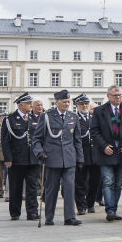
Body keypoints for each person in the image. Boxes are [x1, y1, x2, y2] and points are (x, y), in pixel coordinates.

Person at [33, 90, 84, 226]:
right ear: (57, 102)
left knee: (69, 188)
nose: (67, 104)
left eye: (68, 101)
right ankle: (49, 217)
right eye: (64, 102)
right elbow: (36, 139)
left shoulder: (73, 117)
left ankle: (70, 217)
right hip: (52, 158)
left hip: (69, 158)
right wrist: (40, 152)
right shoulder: (47, 116)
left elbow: (77, 140)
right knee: (51, 189)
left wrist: (80, 158)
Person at [90, 85, 122, 222]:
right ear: (108, 96)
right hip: (106, 152)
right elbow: (94, 131)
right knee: (108, 182)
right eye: (115, 95)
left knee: (118, 184)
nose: (118, 97)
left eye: (120, 95)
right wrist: (104, 146)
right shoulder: (99, 111)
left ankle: (114, 209)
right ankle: (109, 210)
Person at [1, 93, 41, 221]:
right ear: (20, 105)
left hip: (32, 158)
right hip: (16, 159)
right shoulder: (10, 119)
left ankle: (32, 212)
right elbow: (5, 141)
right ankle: (15, 212)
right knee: (15, 187)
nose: (31, 105)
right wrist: (7, 158)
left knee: (32, 187)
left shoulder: (35, 118)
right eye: (29, 103)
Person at [73, 94, 101, 215]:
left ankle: (90, 204)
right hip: (81, 154)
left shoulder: (94, 117)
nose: (84, 106)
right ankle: (81, 206)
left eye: (86, 103)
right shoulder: (74, 118)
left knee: (95, 181)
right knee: (80, 182)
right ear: (77, 106)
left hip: (95, 155)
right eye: (81, 104)